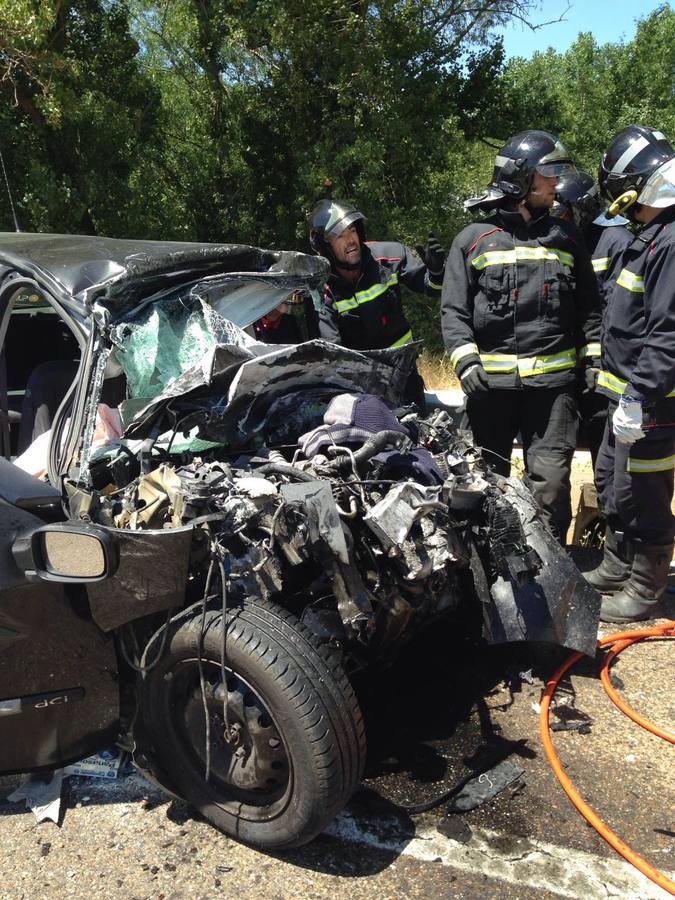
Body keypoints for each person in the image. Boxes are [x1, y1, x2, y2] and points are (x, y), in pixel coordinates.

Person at [442, 130, 601, 543]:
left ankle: (550, 578)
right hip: (490, 390)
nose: (555, 183)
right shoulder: (472, 240)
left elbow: (590, 310)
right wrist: (465, 361)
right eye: (548, 174)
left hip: (552, 393)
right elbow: (454, 311)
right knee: (482, 485)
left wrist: (594, 361)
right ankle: (489, 577)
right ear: (521, 179)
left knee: (549, 488)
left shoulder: (567, 239)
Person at [584, 124, 675, 622]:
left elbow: (668, 335)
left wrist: (639, 397)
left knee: (644, 491)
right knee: (611, 481)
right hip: (627, 397)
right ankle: (618, 565)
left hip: (654, 402)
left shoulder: (672, 241)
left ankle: (645, 587)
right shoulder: (653, 235)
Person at [309, 199, 445, 409]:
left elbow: (433, 289)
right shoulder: (322, 289)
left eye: (352, 231)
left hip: (404, 376)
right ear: (324, 246)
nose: (350, 240)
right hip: (360, 389)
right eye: (340, 236)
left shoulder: (388, 256)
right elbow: (332, 353)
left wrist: (437, 273)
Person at [551, 169, 633, 466]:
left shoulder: (616, 241)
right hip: (568, 365)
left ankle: (610, 509)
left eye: (563, 212)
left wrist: (596, 362)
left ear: (581, 207)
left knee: (606, 459)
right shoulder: (567, 241)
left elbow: (617, 311)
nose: (557, 219)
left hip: (603, 368)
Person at [253, 293, 319, 344]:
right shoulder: (250, 323)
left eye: (279, 307)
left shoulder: (294, 324)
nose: (274, 310)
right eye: (272, 306)